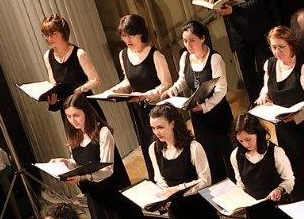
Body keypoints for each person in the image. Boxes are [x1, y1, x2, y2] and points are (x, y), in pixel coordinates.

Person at [60, 95, 160, 219]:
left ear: (86, 112)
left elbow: (107, 169)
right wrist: (66, 164)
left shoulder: (103, 132)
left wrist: (83, 176)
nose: (73, 121)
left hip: (115, 194)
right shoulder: (75, 137)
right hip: (96, 197)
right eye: (69, 117)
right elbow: (78, 163)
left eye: (76, 115)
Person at [255, 25, 304, 202]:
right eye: (273, 47)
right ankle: (301, 201)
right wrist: (264, 95)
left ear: (291, 45)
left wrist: (296, 116)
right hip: (284, 126)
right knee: (293, 165)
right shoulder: (270, 65)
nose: (277, 51)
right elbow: (266, 86)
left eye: (281, 46)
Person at [101, 13, 173, 178]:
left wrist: (146, 95)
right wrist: (112, 91)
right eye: (124, 36)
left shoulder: (155, 55)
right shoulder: (123, 55)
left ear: (141, 33)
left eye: (131, 35)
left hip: (158, 110)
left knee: (163, 147)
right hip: (138, 110)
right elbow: (128, 81)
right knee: (148, 148)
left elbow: (166, 84)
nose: (128, 40)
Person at [162, 20, 234, 183]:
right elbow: (182, 80)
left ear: (202, 38)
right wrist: (172, 91)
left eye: (192, 40)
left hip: (217, 113)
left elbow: (221, 89)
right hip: (198, 115)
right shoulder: (185, 57)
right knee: (208, 154)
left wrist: (206, 106)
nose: (188, 45)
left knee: (225, 151)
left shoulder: (215, 58)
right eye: (185, 40)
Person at [212, 0, 271, 100]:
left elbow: (256, 2)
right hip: (237, 31)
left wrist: (233, 10)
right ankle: (254, 106)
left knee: (266, 69)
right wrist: (213, 1)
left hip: (258, 30)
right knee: (247, 72)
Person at [39, 13, 103, 116]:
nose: (49, 39)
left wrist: (78, 90)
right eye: (46, 35)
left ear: (63, 33)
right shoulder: (47, 56)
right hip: (67, 110)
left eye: (53, 34)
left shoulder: (79, 54)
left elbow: (95, 80)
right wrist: (52, 99)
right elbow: (54, 84)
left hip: (84, 106)